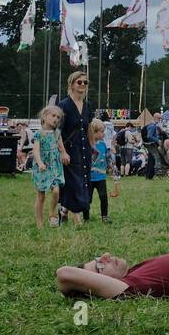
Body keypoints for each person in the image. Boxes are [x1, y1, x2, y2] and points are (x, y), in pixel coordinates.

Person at [58, 71, 95, 224]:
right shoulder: (63, 105)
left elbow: (89, 127)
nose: (82, 85)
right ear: (71, 84)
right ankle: (76, 214)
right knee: (73, 181)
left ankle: (64, 210)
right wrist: (63, 152)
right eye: (79, 82)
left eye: (85, 82)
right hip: (69, 149)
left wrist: (93, 146)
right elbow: (57, 131)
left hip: (84, 148)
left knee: (84, 179)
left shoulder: (87, 105)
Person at [32, 106, 65, 227]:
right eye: (53, 116)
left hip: (54, 167)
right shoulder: (38, 134)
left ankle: (52, 214)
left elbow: (61, 149)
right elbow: (35, 151)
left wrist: (65, 155)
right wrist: (40, 163)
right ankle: (39, 222)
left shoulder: (57, 133)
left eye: (58, 117)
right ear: (44, 117)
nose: (56, 119)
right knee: (41, 195)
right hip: (42, 167)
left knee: (56, 191)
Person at [86, 119, 112, 224]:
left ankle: (104, 216)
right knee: (88, 198)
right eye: (101, 131)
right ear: (94, 132)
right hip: (89, 177)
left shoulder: (103, 144)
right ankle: (86, 217)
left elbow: (107, 156)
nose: (103, 133)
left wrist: (110, 165)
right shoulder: (88, 145)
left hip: (101, 176)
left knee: (103, 197)